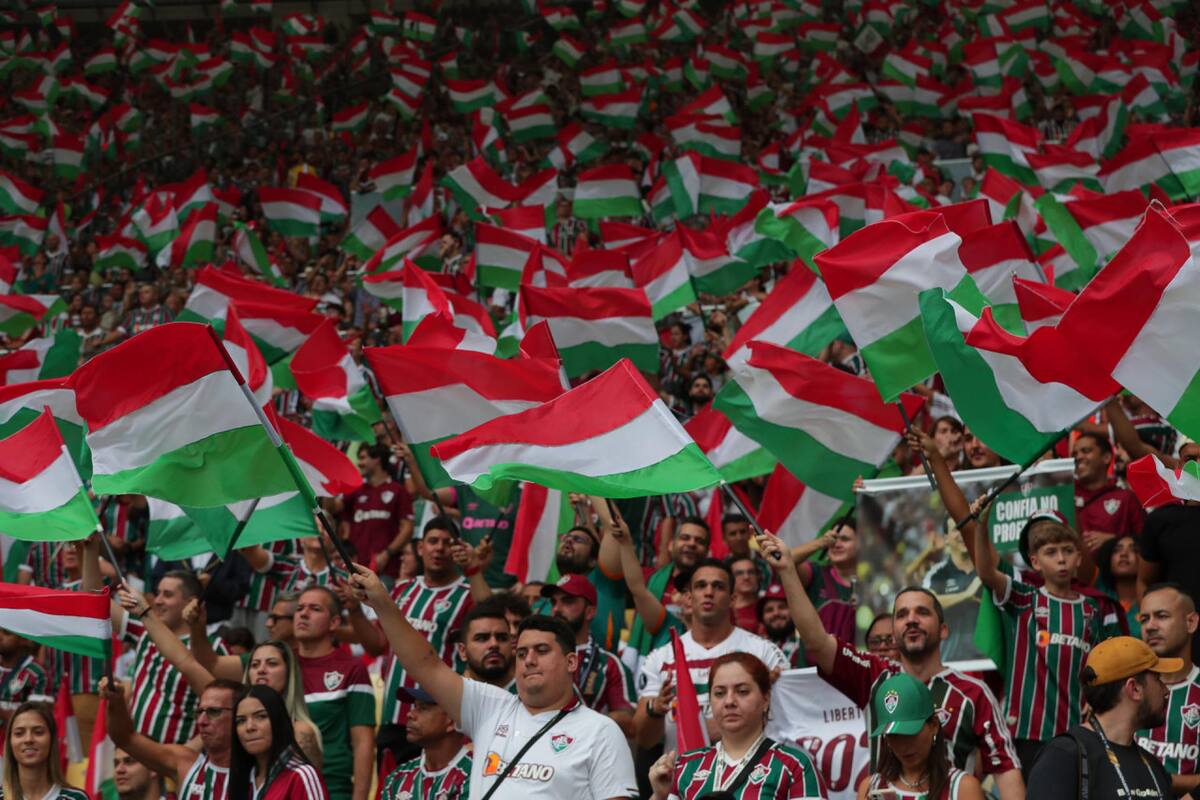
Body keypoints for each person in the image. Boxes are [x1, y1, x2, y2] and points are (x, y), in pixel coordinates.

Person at [756, 532, 1024, 798]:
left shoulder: (973, 693)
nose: (911, 620)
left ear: (943, 630)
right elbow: (817, 641)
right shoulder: (874, 677)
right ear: (894, 633)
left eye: (922, 612)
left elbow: (1005, 768)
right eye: (902, 614)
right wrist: (788, 571)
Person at [351, 565, 638, 799]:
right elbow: (425, 664)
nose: (529, 660)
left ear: (571, 662)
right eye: (522, 652)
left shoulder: (600, 731)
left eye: (542, 651)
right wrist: (382, 604)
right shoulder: (489, 707)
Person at [971, 508, 1106, 770]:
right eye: (1051, 552)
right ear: (1035, 561)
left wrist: (1095, 700)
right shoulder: (1024, 599)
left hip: (1075, 730)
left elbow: (1100, 666)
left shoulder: (1091, 609)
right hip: (1027, 731)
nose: (1061, 559)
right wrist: (980, 524)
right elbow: (986, 573)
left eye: (1068, 551)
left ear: (1079, 557)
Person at [637, 558, 788, 753]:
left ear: (733, 599)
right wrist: (655, 711)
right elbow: (642, 739)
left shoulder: (765, 653)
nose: (709, 592)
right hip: (684, 779)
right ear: (689, 598)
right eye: (701, 586)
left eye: (718, 586)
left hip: (751, 778)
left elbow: (787, 728)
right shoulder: (661, 658)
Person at [364, 517, 474, 766]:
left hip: (438, 721)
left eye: (448, 542)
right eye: (433, 541)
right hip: (393, 717)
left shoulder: (467, 596)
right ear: (420, 547)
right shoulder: (403, 589)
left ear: (457, 549)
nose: (439, 548)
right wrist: (354, 610)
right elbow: (377, 644)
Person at [649, 653, 827, 800]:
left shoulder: (795, 765)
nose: (729, 701)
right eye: (719, 693)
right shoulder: (686, 766)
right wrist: (660, 795)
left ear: (766, 699)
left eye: (742, 691)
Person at [1026, 637, 1176, 800]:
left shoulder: (1153, 767)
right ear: (1134, 689)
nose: (1165, 690)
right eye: (1157, 679)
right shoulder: (1063, 757)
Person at [293, 586, 375, 800]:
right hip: (281, 785)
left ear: (334, 623)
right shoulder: (278, 664)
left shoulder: (352, 668)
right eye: (300, 608)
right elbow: (213, 665)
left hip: (331, 788)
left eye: (315, 608)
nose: (303, 613)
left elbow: (363, 743)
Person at [103, 678, 243, 800]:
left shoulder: (260, 773)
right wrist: (116, 701)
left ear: (240, 715)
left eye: (213, 712)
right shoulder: (186, 764)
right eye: (200, 712)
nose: (201, 721)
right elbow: (125, 738)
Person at [859, 673, 984, 800]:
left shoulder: (963, 789)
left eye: (910, 733)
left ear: (934, 725)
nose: (903, 746)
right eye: (893, 735)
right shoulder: (870, 788)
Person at [543, 574, 637, 735]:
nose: (556, 609)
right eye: (554, 602)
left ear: (589, 612)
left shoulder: (609, 664)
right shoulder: (538, 657)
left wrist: (578, 726)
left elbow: (629, 722)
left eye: (568, 600)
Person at [1138, 441, 1200, 664]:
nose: (1196, 466)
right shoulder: (1161, 521)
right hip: (1180, 652)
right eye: (1189, 459)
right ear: (1178, 467)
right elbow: (1145, 582)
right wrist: (1151, 627)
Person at [1137, 583, 1200, 798]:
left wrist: (1157, 778)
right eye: (1144, 619)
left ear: (1191, 622)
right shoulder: (1125, 687)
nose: (1150, 626)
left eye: (1161, 616)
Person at [619, 513, 710, 657]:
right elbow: (636, 587)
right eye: (685, 538)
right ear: (670, 545)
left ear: (707, 552)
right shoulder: (650, 579)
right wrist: (625, 541)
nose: (692, 544)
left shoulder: (713, 589)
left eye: (699, 541)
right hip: (650, 660)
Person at [229, 685, 329, 800]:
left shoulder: (301, 776)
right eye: (241, 720)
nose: (249, 727)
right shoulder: (241, 777)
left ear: (278, 721)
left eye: (261, 716)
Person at [334, 443, 414, 583]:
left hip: (386, 569)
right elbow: (334, 508)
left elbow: (407, 528)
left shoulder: (398, 490)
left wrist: (387, 553)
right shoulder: (356, 490)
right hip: (356, 568)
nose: (359, 463)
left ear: (377, 459)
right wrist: (328, 486)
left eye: (363, 458)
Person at [380, 686, 472, 800]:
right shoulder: (397, 777)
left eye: (423, 708)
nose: (410, 714)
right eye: (415, 706)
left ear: (452, 720)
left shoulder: (475, 774)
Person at [1072, 432, 1144, 554]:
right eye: (1074, 454)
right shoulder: (1065, 496)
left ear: (1106, 457)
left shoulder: (1126, 498)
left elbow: (1147, 543)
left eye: (1086, 451)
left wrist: (1114, 541)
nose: (1078, 457)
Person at [0, 702, 88, 800]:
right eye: (19, 733)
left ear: (52, 740)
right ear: (9, 743)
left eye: (38, 732)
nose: (28, 739)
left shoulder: (75, 798)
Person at [456, 597, 517, 691]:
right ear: (462, 651)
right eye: (482, 638)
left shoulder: (531, 694)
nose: (494, 644)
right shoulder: (450, 696)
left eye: (502, 638)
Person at [0, 630, 49, 734]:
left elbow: (36, 719)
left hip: (17, 743)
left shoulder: (36, 673)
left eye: (7, 633)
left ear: (23, 639)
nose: (0, 636)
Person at [757, 583, 803, 664]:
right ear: (762, 617)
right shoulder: (756, 647)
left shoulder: (807, 645)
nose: (776, 613)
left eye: (782, 607)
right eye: (769, 610)